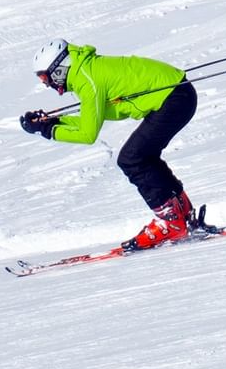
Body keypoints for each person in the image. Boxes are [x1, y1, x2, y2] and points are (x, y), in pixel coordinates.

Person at [20, 39, 197, 250]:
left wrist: (48, 130)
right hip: (178, 94)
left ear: (59, 68)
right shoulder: (86, 71)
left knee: (132, 159)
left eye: (45, 77)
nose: (46, 84)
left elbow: (87, 134)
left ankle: (172, 222)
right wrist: (52, 123)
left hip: (174, 98)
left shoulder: (88, 80)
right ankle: (182, 215)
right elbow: (92, 120)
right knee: (142, 156)